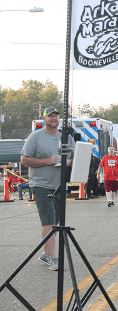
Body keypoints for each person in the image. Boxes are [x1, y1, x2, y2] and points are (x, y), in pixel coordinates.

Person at [20, 107, 74, 271]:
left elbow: (71, 157)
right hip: (41, 185)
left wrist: (67, 162)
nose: (53, 119)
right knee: (49, 221)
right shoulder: (35, 137)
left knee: (56, 221)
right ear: (43, 119)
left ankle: (45, 253)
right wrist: (48, 161)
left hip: (59, 185)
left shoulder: (65, 138)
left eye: (56, 116)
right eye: (50, 116)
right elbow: (24, 160)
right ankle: (53, 258)